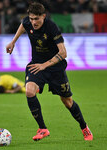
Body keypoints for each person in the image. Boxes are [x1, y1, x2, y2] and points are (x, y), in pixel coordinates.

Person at [6, 2, 93, 141]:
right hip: (36, 66)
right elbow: (23, 25)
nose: (33, 22)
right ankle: (43, 129)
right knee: (29, 91)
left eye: (37, 19)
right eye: (31, 18)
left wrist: (45, 65)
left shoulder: (51, 27)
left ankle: (84, 127)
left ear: (44, 16)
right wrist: (13, 41)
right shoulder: (27, 22)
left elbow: (63, 53)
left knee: (67, 102)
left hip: (55, 69)